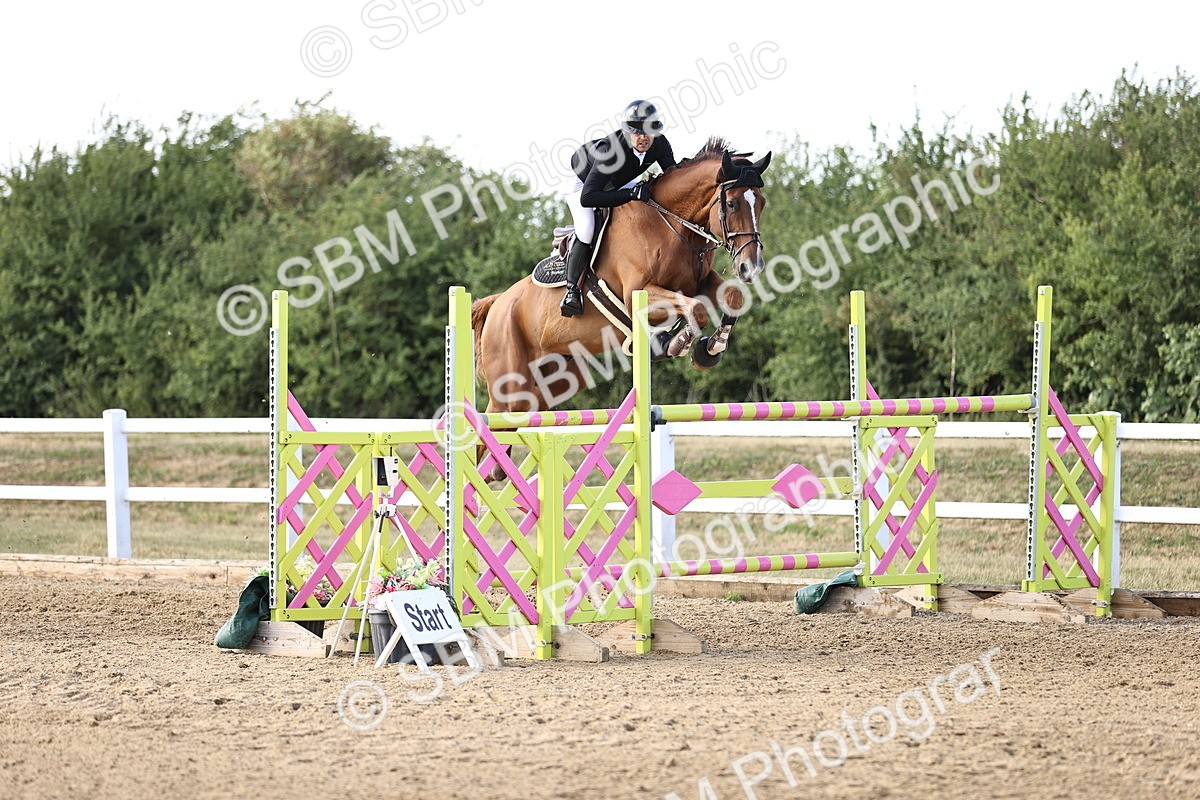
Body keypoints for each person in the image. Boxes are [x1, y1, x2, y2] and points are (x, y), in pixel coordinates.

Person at [560, 100, 677, 316]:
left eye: (649, 132)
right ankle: (571, 291)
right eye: (638, 133)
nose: (644, 138)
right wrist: (630, 194)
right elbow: (589, 197)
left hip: (618, 179)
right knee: (586, 228)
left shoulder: (659, 144)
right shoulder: (610, 151)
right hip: (583, 182)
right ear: (627, 131)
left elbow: (673, 178)